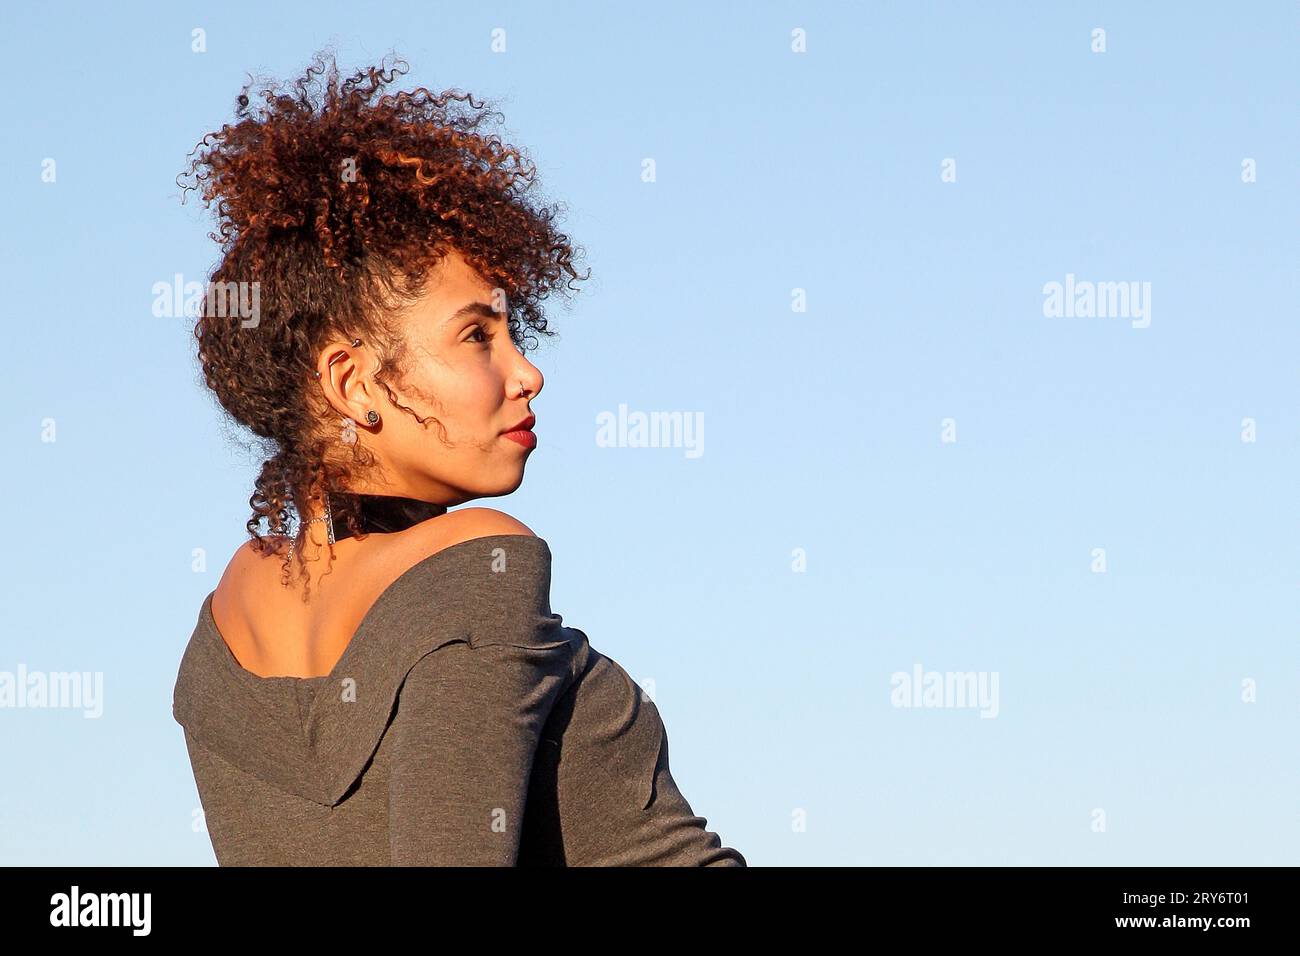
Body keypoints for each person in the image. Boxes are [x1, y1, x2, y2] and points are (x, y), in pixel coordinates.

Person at [170, 51, 746, 866]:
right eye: (477, 335)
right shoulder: (478, 560)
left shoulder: (231, 612)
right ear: (352, 380)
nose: (527, 371)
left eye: (516, 332)